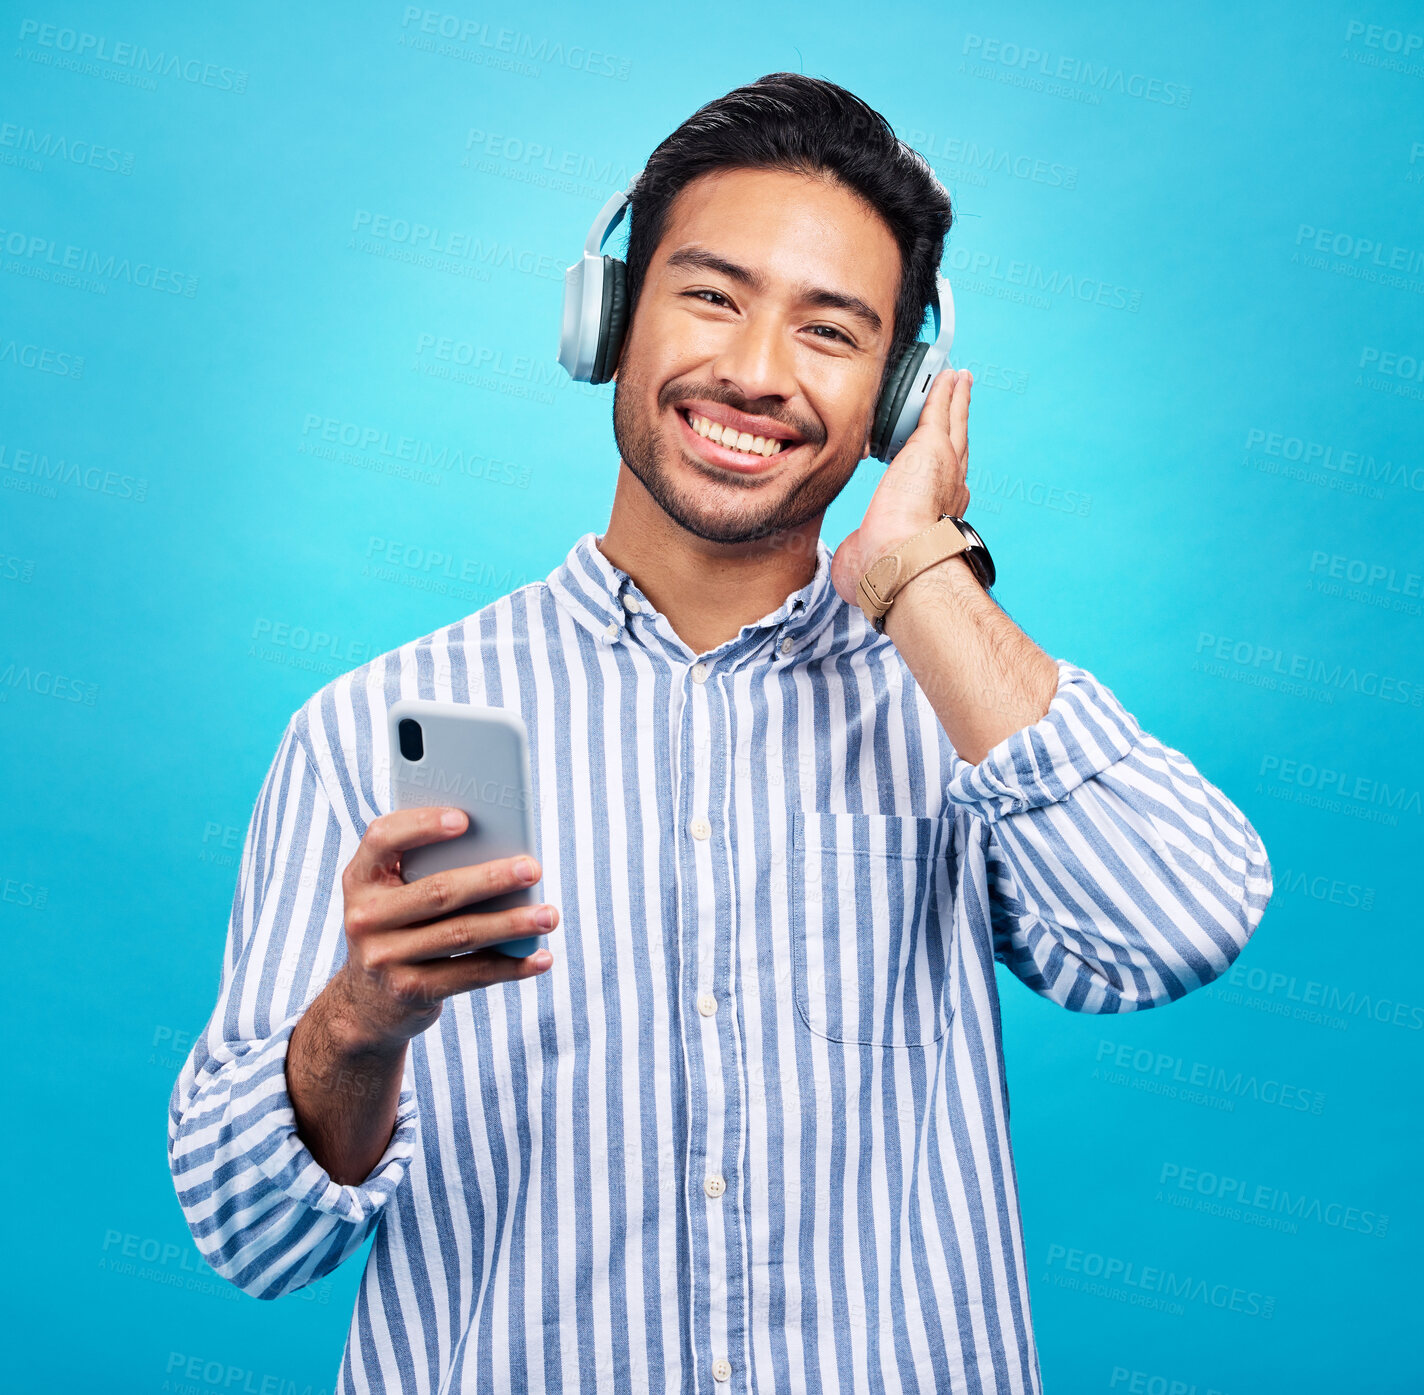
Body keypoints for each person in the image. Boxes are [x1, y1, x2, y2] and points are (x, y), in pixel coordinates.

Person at [168, 72, 1272, 1394]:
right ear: (609, 318)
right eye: (710, 295)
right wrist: (360, 1023)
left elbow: (1177, 925)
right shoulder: (369, 726)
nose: (753, 373)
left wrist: (919, 574)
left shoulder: (958, 705)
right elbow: (249, 1237)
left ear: (899, 396)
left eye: (831, 331)